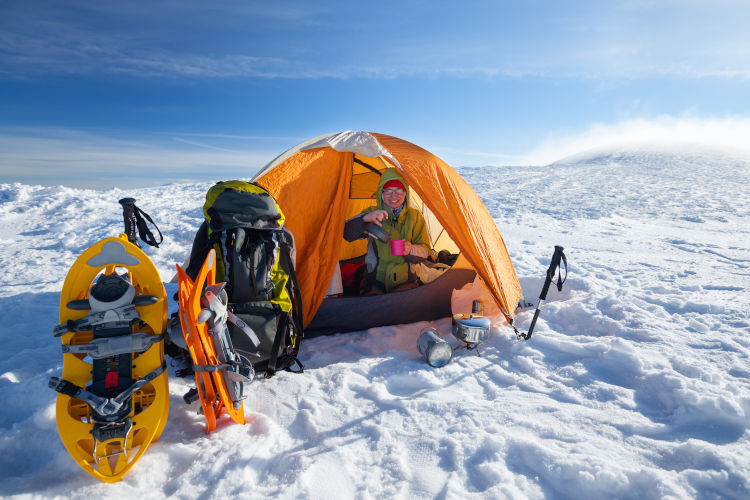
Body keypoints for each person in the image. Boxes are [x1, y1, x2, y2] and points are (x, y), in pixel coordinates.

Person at [344, 168, 433, 294]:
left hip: (406, 281)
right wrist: (365, 219)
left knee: (403, 309)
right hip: (375, 281)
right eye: (388, 191)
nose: (393, 196)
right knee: (373, 309)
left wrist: (410, 249)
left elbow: (426, 251)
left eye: (398, 190)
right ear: (381, 193)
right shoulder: (372, 213)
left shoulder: (415, 217)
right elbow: (347, 234)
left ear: (405, 193)